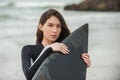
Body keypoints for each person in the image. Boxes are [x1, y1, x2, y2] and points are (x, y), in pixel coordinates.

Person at [21, 9, 91, 80]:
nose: (55, 30)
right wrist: (48, 49)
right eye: (50, 25)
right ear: (41, 27)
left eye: (58, 26)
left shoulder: (66, 50)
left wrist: (83, 65)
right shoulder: (28, 50)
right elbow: (29, 76)